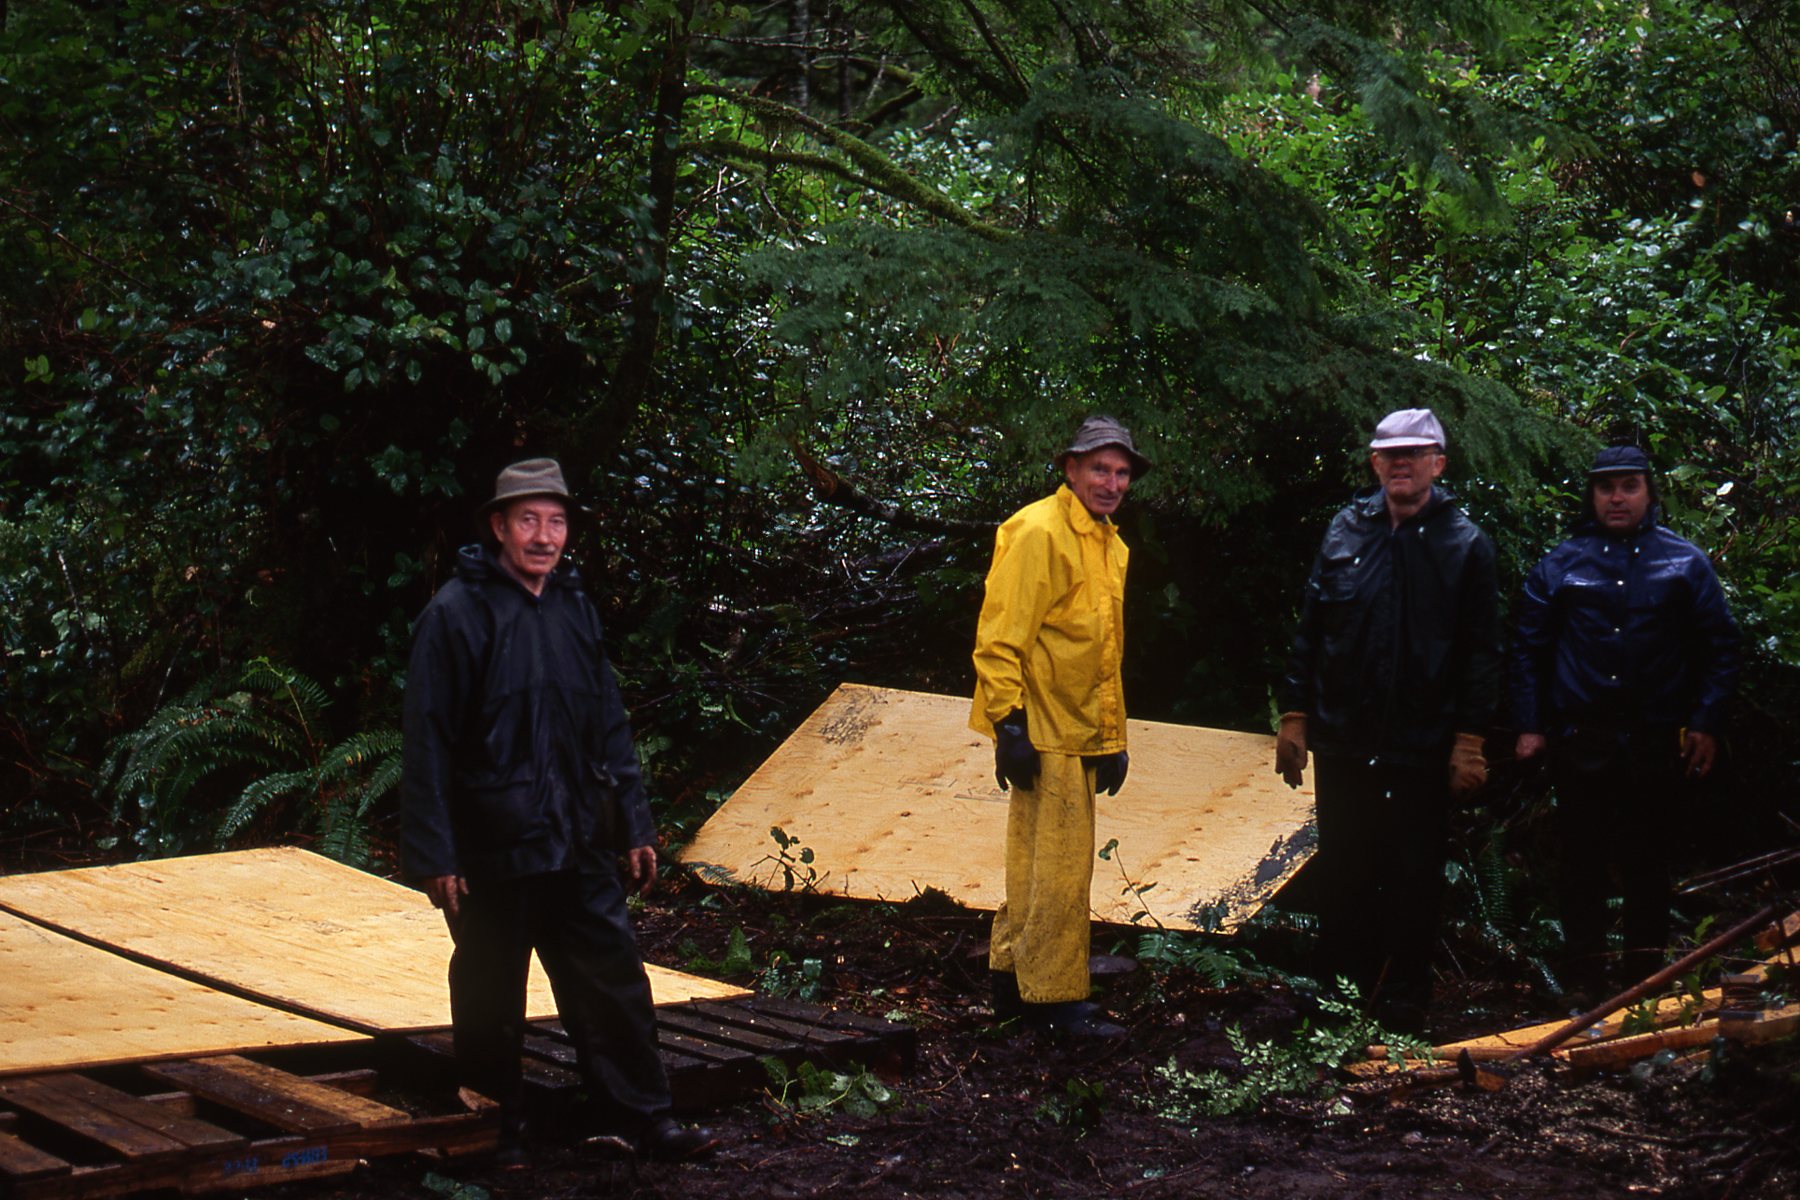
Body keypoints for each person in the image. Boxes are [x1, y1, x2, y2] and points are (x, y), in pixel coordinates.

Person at [401, 458, 716, 1166]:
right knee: (489, 997)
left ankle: (645, 1119)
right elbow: (427, 741)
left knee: (613, 983)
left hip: (578, 839)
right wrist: (436, 854)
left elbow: (609, 723)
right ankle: (494, 1131)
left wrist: (633, 823)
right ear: (498, 527)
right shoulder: (456, 614)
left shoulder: (574, 606)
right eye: (528, 521)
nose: (544, 536)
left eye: (556, 521)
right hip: (492, 848)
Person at [1275, 408, 1500, 1033]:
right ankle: (1337, 997)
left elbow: (1482, 653)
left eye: (1415, 453)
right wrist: (1294, 717)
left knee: (1413, 876)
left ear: (1438, 464)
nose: (1401, 463)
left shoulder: (1466, 545)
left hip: (1422, 746)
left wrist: (1470, 742)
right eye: (1390, 454)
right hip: (1346, 740)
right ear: (1375, 463)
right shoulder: (1345, 531)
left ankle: (1404, 999)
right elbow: (1312, 629)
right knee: (1343, 866)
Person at [1511, 444, 1739, 995]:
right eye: (1606, 486)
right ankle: (1584, 979)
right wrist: (1530, 725)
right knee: (1580, 864)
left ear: (1649, 492)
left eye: (1629, 485)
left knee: (1647, 863)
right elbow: (1527, 650)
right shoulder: (1561, 564)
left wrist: (1705, 722)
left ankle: (1645, 980)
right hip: (1580, 737)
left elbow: (1721, 648)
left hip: (1656, 739)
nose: (1618, 497)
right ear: (1591, 495)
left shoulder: (1684, 562)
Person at [970, 415, 1151, 1040]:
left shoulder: (1108, 543)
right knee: (1058, 870)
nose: (1112, 482)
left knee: (1041, 865)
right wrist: (1008, 725)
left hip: (1078, 730)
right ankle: (1050, 1002)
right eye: (1100, 468)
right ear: (1070, 469)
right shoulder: (1038, 531)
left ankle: (1011, 984)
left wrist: (1114, 737)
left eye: (1122, 471)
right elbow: (1000, 634)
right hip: (1042, 727)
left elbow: (1103, 650)